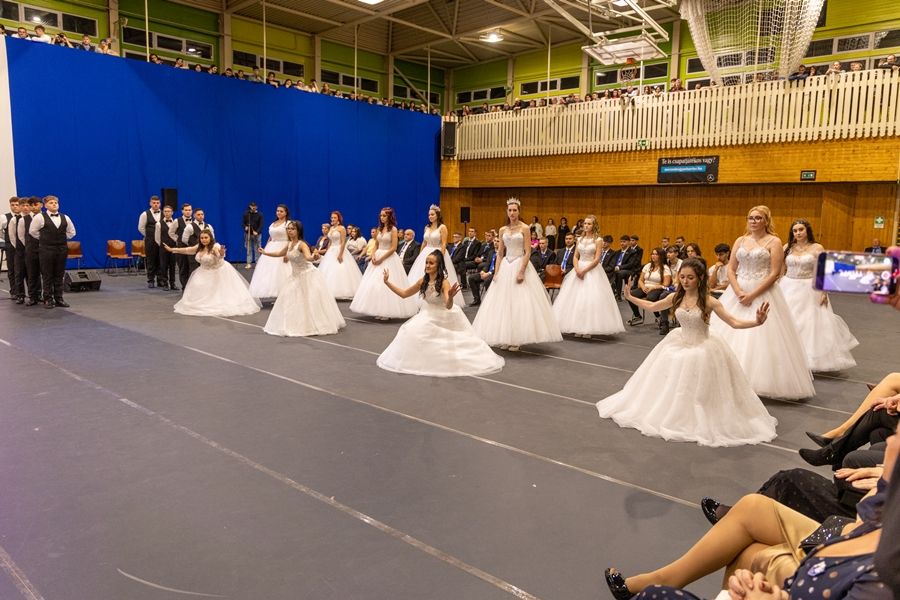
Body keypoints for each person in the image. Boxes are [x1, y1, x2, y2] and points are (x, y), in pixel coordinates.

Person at [605, 425, 896, 600]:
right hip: (848, 535)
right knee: (755, 513)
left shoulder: (884, 574)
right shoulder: (881, 513)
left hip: (843, 547)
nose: (893, 441)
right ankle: (668, 577)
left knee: (760, 539)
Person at [597, 258, 777, 446]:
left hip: (703, 347)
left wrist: (756, 322)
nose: (685, 281)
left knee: (701, 391)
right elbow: (652, 307)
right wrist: (631, 297)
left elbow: (734, 322)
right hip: (680, 343)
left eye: (690, 277)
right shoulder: (676, 298)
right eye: (682, 277)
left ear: (699, 278)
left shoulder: (709, 301)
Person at [710, 206, 815, 400]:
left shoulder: (774, 241)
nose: (753, 221)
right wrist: (738, 291)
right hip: (737, 291)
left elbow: (775, 273)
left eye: (758, 218)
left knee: (762, 336)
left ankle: (756, 380)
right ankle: (726, 375)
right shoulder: (740, 240)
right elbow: (732, 269)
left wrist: (752, 294)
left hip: (763, 291)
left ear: (766, 221)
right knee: (729, 329)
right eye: (750, 218)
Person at [377, 251, 504, 377]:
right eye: (426, 263)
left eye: (431, 263)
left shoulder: (444, 282)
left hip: (444, 315)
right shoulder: (422, 281)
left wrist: (450, 297)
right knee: (409, 330)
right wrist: (387, 282)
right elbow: (404, 294)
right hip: (428, 313)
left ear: (438, 265)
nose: (427, 265)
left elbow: (448, 306)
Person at [472, 198, 562, 351]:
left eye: (515, 210)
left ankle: (517, 339)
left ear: (519, 212)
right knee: (503, 303)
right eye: (510, 210)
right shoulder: (502, 230)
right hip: (506, 265)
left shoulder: (525, 228)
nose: (512, 213)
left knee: (520, 303)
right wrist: (497, 272)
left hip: (519, 264)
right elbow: (500, 253)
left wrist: (521, 271)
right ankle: (505, 337)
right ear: (507, 212)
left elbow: (528, 252)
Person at [779, 219, 858, 372]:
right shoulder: (787, 247)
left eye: (801, 229)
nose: (798, 233)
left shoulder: (817, 247)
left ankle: (807, 358)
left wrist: (824, 291)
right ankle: (787, 354)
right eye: (795, 231)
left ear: (807, 230)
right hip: (788, 286)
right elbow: (782, 269)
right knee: (788, 320)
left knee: (810, 323)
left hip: (809, 287)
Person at [262, 221, 345, 337]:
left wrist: (314, 257)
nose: (289, 231)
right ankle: (294, 323)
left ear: (298, 231)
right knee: (292, 300)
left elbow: (308, 257)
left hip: (307, 275)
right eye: (288, 229)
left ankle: (313, 324)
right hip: (295, 276)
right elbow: (279, 253)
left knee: (310, 301)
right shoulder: (290, 244)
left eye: (292, 229)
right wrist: (265, 252)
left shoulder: (302, 244)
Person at [552, 216, 624, 338]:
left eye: (589, 224)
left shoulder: (598, 240)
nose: (586, 226)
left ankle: (588, 328)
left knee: (589, 299)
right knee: (574, 299)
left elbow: (597, 259)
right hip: (578, 268)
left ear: (594, 225)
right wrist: (577, 269)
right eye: (585, 223)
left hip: (591, 269)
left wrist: (584, 270)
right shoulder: (579, 239)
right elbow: (575, 256)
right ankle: (575, 326)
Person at [164, 230, 260, 317]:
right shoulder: (199, 247)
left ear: (210, 238)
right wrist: (172, 249)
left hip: (218, 271)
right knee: (198, 286)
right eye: (202, 238)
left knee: (218, 293)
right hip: (203, 271)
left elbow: (219, 256)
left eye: (206, 238)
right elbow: (187, 250)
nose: (204, 240)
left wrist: (221, 253)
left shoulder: (215, 246)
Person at [349, 208, 417, 320]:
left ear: (389, 217)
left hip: (388, 257)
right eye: (381, 215)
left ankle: (387, 311)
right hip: (378, 255)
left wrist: (382, 258)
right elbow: (376, 244)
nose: (382, 217)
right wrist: (374, 255)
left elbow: (394, 247)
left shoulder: (393, 230)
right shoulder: (379, 229)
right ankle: (377, 309)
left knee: (386, 284)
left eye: (384, 216)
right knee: (374, 284)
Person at [407, 205, 463, 306]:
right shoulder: (427, 227)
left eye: (432, 214)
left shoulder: (442, 227)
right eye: (429, 215)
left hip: (437, 252)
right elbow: (424, 242)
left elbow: (444, 244)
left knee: (437, 276)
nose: (430, 216)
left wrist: (440, 257)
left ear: (437, 215)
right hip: (426, 253)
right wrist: (420, 255)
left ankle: (439, 297)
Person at [28, 196, 75, 309]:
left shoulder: (65, 217)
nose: (54, 204)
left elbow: (72, 232)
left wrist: (60, 239)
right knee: (47, 274)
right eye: (51, 203)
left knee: (59, 274)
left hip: (62, 249)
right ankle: (48, 299)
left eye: (55, 203)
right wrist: (45, 239)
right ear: (45, 205)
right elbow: (32, 231)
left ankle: (59, 298)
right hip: (46, 249)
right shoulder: (40, 217)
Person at [248, 204, 292, 299]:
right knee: (269, 273)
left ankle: (285, 295)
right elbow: (271, 237)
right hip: (271, 248)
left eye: (281, 211)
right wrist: (265, 249)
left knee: (283, 271)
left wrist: (287, 253)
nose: (278, 213)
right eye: (277, 211)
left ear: (286, 213)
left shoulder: (288, 224)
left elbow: (292, 238)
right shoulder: (273, 223)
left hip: (283, 247)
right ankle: (276, 294)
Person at [317, 210, 362, 299]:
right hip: (331, 251)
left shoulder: (341, 228)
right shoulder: (331, 229)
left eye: (334, 217)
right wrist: (327, 252)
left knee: (340, 270)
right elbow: (330, 242)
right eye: (332, 217)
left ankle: (341, 291)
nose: (332, 219)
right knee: (328, 270)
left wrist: (340, 254)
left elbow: (343, 242)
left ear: (338, 219)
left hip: (339, 249)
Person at [626, 248, 672, 332]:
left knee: (651, 298)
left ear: (660, 256)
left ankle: (658, 316)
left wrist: (653, 287)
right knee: (630, 295)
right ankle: (637, 316)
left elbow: (666, 284)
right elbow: (640, 280)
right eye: (652, 254)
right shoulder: (647, 266)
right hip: (645, 287)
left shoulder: (665, 268)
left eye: (655, 254)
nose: (653, 256)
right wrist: (643, 287)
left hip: (657, 288)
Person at [19, 197, 43, 305]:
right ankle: (33, 297)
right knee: (32, 274)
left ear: (41, 205)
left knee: (46, 275)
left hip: (45, 250)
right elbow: (21, 236)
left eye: (35, 204)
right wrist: (29, 246)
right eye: (31, 205)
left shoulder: (46, 217)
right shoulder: (23, 219)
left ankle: (44, 295)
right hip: (31, 250)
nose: (33, 207)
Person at [136, 195, 163, 288]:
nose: (156, 205)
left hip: (161, 241)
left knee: (161, 260)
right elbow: (141, 228)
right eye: (154, 203)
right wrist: (150, 236)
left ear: (160, 203)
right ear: (150, 203)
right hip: (150, 241)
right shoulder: (145, 214)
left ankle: (160, 280)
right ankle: (150, 280)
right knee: (150, 260)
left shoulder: (164, 213)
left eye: (157, 203)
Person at [155, 204, 178, 291]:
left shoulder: (176, 222)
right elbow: (157, 237)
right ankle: (165, 283)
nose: (167, 213)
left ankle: (173, 283)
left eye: (169, 211)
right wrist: (162, 245)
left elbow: (177, 235)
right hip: (163, 248)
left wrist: (175, 243)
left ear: (172, 212)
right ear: (163, 212)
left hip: (173, 247)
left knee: (172, 266)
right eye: (165, 211)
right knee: (163, 266)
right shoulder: (159, 224)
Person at [242, 202, 263, 269]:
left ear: (256, 207)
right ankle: (249, 263)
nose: (253, 207)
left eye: (255, 206)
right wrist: (245, 226)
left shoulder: (260, 215)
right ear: (250, 206)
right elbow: (243, 223)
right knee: (249, 249)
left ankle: (258, 263)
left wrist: (257, 232)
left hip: (257, 235)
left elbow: (261, 225)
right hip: (248, 234)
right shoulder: (246, 214)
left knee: (257, 249)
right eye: (252, 206)